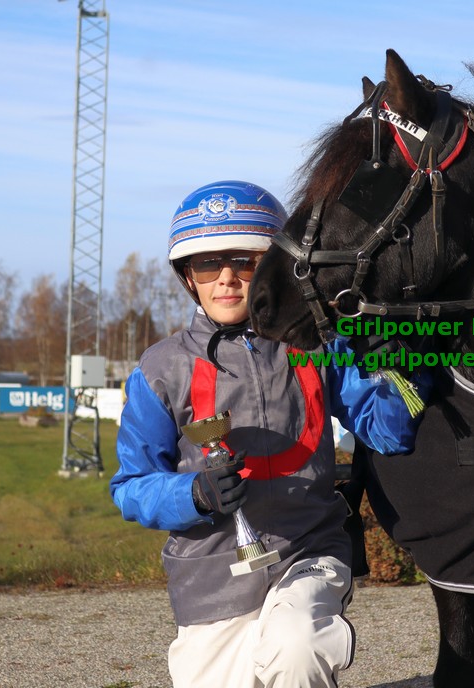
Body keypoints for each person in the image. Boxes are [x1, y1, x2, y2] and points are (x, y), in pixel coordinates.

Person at [110, 180, 423, 688]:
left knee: (296, 647)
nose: (226, 278)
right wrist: (194, 494)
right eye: (208, 264)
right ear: (188, 276)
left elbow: (389, 433)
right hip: (211, 578)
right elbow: (130, 487)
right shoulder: (159, 369)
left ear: (273, 265)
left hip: (308, 549)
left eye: (244, 261)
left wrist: (398, 369)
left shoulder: (318, 345)